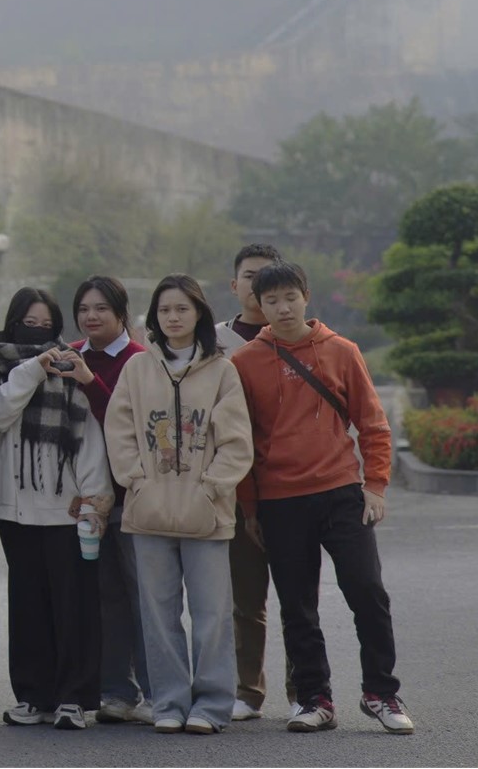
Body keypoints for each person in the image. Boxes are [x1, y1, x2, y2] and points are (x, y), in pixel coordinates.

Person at [232, 262, 414, 735]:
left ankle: (381, 693)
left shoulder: (341, 351)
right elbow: (243, 442)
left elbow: (373, 423)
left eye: (290, 296)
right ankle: (315, 698)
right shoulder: (246, 362)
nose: (282, 307)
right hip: (278, 500)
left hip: (339, 492)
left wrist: (374, 485)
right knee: (297, 605)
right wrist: (251, 508)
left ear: (306, 296)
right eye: (271, 300)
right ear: (258, 305)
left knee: (368, 593)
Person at [105, 275, 253, 734]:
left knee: (211, 615)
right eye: (165, 310)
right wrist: (137, 481)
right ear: (154, 318)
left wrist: (211, 486)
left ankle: (210, 705)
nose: (173, 317)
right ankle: (168, 702)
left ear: (199, 315)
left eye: (182, 309)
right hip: (148, 513)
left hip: (206, 513)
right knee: (158, 615)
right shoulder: (137, 369)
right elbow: (120, 431)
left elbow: (236, 443)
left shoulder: (222, 371)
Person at [0, 287, 109, 730]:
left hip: (66, 507)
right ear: (13, 321)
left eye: (45, 325)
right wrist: (31, 370)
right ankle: (33, 696)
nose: (37, 332)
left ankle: (74, 697)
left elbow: (89, 433)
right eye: (27, 323)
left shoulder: (74, 364)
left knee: (73, 606)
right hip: (15, 508)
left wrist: (94, 497)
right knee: (27, 605)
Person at [60, 275, 151, 723]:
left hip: (131, 497)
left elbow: (131, 424)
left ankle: (159, 691)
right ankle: (119, 692)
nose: (91, 317)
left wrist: (91, 382)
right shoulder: (70, 356)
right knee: (107, 599)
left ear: (121, 314)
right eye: (83, 308)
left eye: (100, 308)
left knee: (144, 597)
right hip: (88, 503)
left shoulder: (139, 360)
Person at [218, 241, 287, 720]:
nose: (255, 283)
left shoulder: (295, 336)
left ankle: (306, 690)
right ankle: (247, 691)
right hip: (231, 489)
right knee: (245, 600)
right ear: (235, 284)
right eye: (248, 275)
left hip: (290, 485)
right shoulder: (214, 341)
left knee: (298, 597)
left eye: (266, 275)